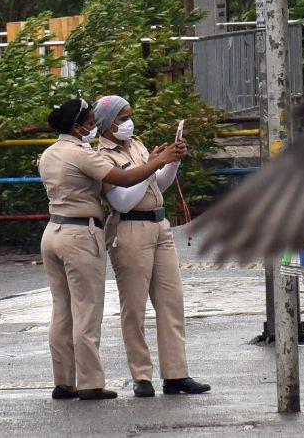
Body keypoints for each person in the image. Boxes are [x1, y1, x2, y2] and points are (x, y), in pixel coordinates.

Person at [39, 98, 182, 401]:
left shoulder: (49, 153)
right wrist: (155, 163)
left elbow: (143, 179)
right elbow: (124, 181)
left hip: (53, 231)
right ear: (78, 127)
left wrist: (158, 162)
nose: (94, 127)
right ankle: (90, 383)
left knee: (62, 311)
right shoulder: (85, 155)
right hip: (80, 233)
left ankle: (64, 382)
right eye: (91, 123)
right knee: (87, 312)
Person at [94, 95, 210, 398]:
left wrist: (170, 163)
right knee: (133, 306)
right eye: (121, 119)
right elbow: (122, 200)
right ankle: (141, 375)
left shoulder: (136, 145)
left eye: (129, 116)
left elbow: (157, 183)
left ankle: (176, 374)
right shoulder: (102, 156)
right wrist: (152, 165)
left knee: (171, 302)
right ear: (107, 125)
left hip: (160, 225)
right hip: (130, 228)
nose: (128, 123)